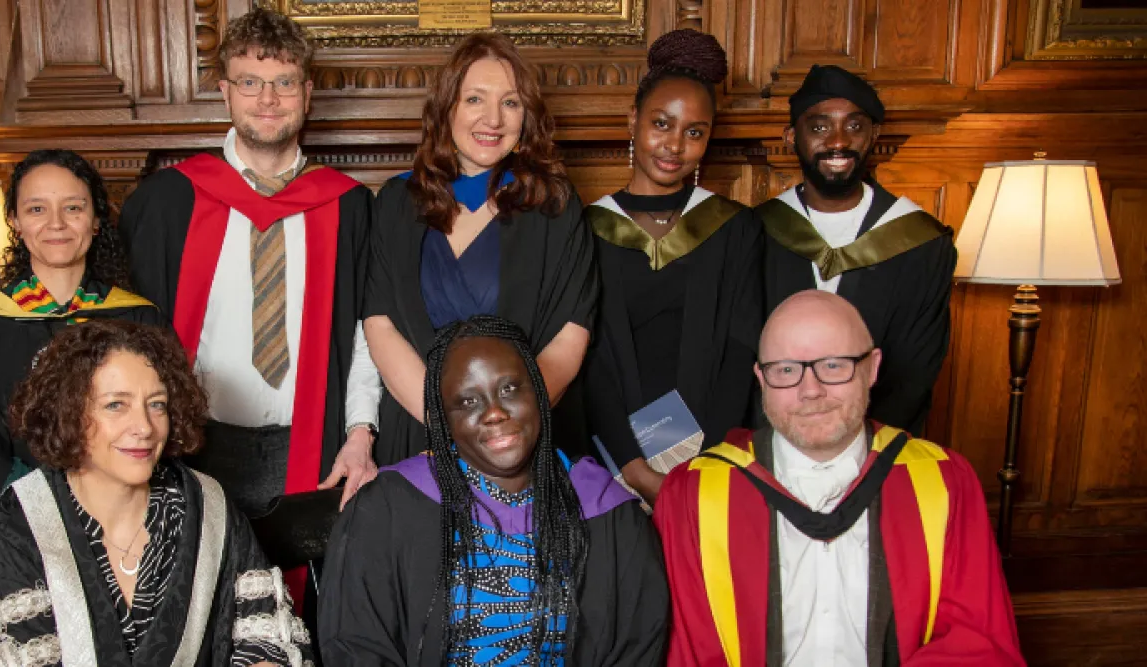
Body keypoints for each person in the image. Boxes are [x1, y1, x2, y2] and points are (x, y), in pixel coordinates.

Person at [654, 290, 1024, 666]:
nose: (810, 390)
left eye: (833, 365)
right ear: (761, 380)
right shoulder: (694, 495)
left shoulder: (943, 482)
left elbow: (976, 641)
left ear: (872, 367)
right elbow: (684, 652)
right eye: (785, 369)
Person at [119, 6, 380, 516]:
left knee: (304, 595)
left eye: (284, 82)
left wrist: (360, 433)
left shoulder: (349, 208)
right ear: (225, 92)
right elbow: (134, 340)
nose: (267, 99)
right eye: (250, 82)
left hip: (315, 441)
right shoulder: (168, 202)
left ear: (306, 93)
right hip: (195, 446)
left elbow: (370, 333)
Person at [321, 315, 668, 665]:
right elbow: (357, 646)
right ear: (444, 419)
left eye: (509, 388)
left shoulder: (608, 513)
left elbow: (637, 647)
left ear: (538, 390)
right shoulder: (388, 509)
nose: (495, 413)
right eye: (469, 401)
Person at [0, 320, 310, 666]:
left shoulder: (208, 508)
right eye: (116, 405)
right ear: (68, 412)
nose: (145, 427)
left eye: (157, 404)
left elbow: (266, 639)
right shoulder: (20, 526)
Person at [364, 33, 597, 466]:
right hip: (420, 434)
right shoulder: (397, 202)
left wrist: (502, 428)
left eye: (510, 103)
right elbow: (380, 323)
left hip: (522, 442)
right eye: (475, 99)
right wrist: (449, 425)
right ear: (446, 107)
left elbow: (569, 334)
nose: (493, 118)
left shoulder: (554, 205)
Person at [581, 29, 763, 501]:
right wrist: (634, 468)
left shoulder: (734, 229)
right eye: (661, 123)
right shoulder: (588, 228)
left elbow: (742, 352)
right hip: (608, 457)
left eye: (694, 132)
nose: (674, 145)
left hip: (711, 459)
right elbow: (588, 360)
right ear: (633, 120)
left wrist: (709, 461)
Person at [0, 149, 164, 521]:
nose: (56, 224)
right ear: (14, 221)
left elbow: (158, 433)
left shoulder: (138, 318)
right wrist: (53, 519)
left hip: (127, 520)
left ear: (96, 220)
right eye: (36, 210)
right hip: (23, 525)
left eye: (73, 208)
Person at [759, 64, 956, 434]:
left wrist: (861, 453)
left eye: (854, 126)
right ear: (791, 136)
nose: (838, 141)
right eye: (819, 127)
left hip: (874, 449)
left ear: (874, 135)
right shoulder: (756, 234)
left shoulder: (921, 242)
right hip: (773, 444)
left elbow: (913, 373)